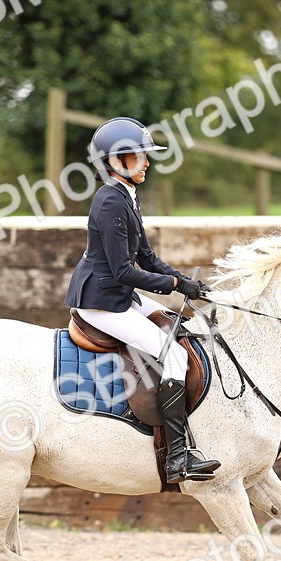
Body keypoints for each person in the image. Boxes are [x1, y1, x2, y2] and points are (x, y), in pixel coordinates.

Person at [64, 117, 219, 484]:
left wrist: (185, 282)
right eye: (140, 156)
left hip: (119, 295)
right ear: (115, 161)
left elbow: (146, 258)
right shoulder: (109, 202)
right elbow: (123, 271)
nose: (148, 162)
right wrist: (174, 284)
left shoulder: (126, 196)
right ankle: (177, 457)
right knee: (176, 355)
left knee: (179, 325)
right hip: (101, 302)